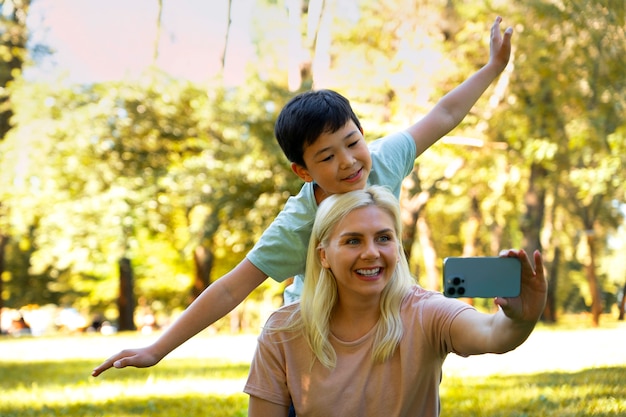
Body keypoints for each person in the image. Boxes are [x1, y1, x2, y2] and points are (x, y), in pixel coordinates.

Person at [92, 16, 513, 377]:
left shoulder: (383, 159)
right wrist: (156, 349)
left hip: (382, 309)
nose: (349, 162)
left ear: (363, 135)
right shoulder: (298, 224)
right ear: (303, 171)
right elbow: (228, 289)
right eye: (327, 156)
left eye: (352, 142)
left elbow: (443, 114)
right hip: (315, 331)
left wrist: (493, 66)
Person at [245, 186, 547, 416]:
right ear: (323, 255)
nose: (371, 253)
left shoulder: (427, 312)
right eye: (353, 241)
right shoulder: (284, 330)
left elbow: (493, 333)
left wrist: (519, 319)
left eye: (384, 238)